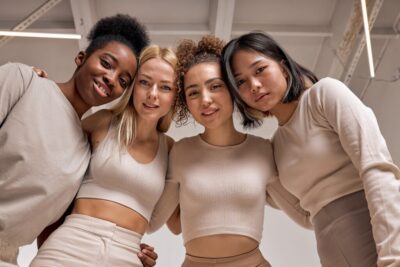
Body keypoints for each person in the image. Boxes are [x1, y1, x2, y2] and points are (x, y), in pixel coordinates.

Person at [221, 32, 400, 267]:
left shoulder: (324, 95)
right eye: (241, 82)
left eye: (259, 70)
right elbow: (306, 216)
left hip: (377, 237)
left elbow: (377, 168)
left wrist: (393, 256)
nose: (254, 85)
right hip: (331, 251)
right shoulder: (276, 147)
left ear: (283, 66)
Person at [0, 14, 156, 266]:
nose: (111, 78)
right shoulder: (24, 82)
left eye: (123, 80)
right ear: (81, 58)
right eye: (106, 63)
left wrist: (126, 248)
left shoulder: (86, 150)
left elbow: (53, 227)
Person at [147, 35, 311, 267]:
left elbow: (305, 216)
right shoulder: (181, 153)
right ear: (185, 102)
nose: (205, 99)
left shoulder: (262, 150)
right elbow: (153, 222)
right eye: (193, 92)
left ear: (233, 90)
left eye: (215, 86)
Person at [30, 44, 177, 266]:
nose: (152, 94)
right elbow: (47, 138)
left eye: (165, 87)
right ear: (133, 86)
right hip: (70, 243)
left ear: (176, 96)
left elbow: (154, 221)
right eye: (144, 82)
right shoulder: (103, 122)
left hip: (128, 253)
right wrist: (37, 88)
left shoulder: (171, 150)